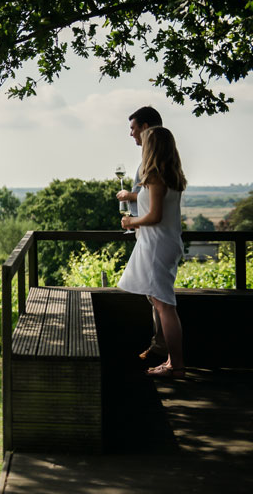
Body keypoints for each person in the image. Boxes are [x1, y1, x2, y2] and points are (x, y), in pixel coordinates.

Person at [117, 126, 187, 378]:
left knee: (165, 305)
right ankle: (171, 362)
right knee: (161, 303)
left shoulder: (156, 175)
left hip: (157, 244)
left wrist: (130, 222)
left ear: (152, 147)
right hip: (162, 243)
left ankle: (175, 365)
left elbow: (155, 215)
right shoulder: (170, 175)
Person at [117, 106, 167, 361]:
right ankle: (160, 348)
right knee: (154, 296)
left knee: (160, 300)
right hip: (148, 235)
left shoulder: (156, 163)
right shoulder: (154, 160)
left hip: (155, 237)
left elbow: (158, 201)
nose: (131, 134)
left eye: (133, 128)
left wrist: (130, 201)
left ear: (145, 128)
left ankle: (165, 354)